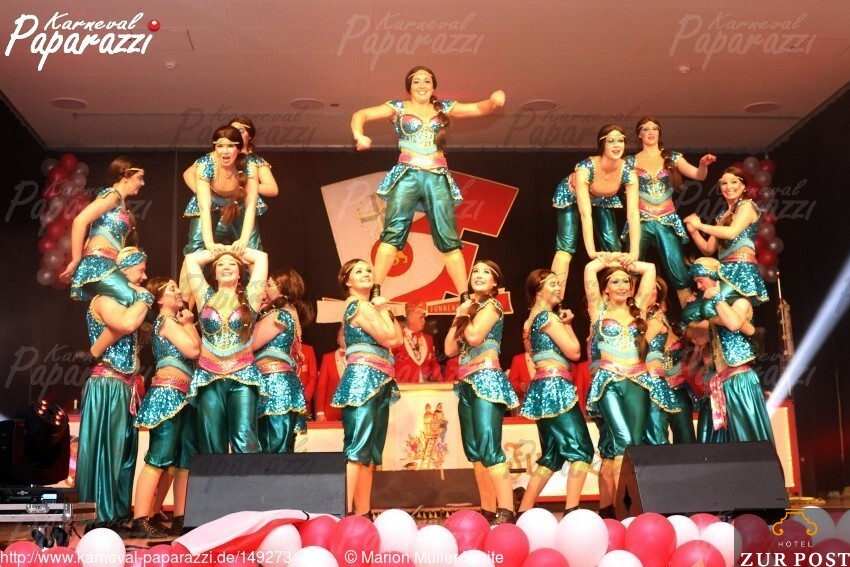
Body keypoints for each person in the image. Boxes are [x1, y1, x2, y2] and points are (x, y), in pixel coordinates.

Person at [351, 65, 505, 300]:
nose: (422, 85)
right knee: (393, 231)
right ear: (409, 88)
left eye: (426, 81)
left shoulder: (443, 108)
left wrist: (493, 102)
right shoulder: (398, 107)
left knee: (448, 235)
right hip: (407, 174)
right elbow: (360, 114)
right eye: (416, 81)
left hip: (436, 175)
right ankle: (376, 290)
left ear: (433, 87)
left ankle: (464, 296)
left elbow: (477, 108)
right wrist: (359, 134)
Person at [76, 248, 152, 530]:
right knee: (106, 452)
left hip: (126, 387)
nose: (144, 276)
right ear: (122, 271)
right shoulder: (104, 299)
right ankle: (100, 515)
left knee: (125, 454)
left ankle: (118, 514)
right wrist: (145, 297)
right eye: (140, 270)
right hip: (108, 384)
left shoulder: (128, 302)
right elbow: (127, 324)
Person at [444, 261, 519, 525]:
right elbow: (449, 349)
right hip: (466, 383)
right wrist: (460, 313)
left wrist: (465, 315)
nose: (478, 274)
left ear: (494, 283)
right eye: (475, 271)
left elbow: (475, 337)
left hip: (487, 379)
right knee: (475, 451)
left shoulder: (492, 306)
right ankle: (488, 511)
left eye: (486, 272)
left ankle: (507, 511)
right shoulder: (468, 309)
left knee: (489, 447)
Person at [584, 253, 656, 517]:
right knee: (622, 439)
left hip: (638, 380)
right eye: (615, 282)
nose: (622, 286)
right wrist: (611, 260)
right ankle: (622, 507)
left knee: (634, 444)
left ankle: (632, 506)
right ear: (605, 288)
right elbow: (590, 269)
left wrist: (629, 264)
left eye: (626, 281)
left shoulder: (639, 308)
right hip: (610, 381)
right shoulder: (598, 309)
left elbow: (650, 268)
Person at [517, 269, 593, 514]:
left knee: (551, 456)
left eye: (558, 283)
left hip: (541, 386)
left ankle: (524, 512)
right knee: (582, 451)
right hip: (555, 387)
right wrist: (568, 326)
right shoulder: (547, 318)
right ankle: (572, 511)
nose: (559, 288)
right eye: (552, 284)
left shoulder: (529, 321)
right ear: (538, 290)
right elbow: (574, 352)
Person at [331, 259, 403, 516]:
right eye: (358, 271)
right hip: (363, 379)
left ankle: (363, 513)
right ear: (347, 281)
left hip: (379, 379)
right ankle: (344, 513)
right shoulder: (358, 305)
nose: (366, 273)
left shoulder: (371, 306)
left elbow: (398, 339)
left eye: (368, 270)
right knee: (357, 449)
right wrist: (382, 310)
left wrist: (383, 309)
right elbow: (389, 337)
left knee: (369, 454)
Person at [132, 278, 200, 538]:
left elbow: (197, 350)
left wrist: (189, 324)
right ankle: (141, 519)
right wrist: (189, 324)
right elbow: (193, 350)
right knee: (159, 457)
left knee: (184, 459)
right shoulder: (167, 322)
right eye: (172, 289)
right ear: (159, 299)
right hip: (168, 395)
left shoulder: (177, 322)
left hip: (184, 396)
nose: (178, 291)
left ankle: (181, 518)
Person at [183, 247, 269, 454]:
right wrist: (217, 251)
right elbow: (191, 259)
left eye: (232, 264)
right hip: (208, 376)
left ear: (240, 273)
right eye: (220, 264)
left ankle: (247, 477)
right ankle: (214, 478)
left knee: (244, 440)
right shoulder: (205, 296)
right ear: (214, 274)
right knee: (211, 442)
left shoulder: (251, 297)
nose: (226, 267)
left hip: (243, 376)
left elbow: (261, 257)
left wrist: (233, 250)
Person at [624, 117, 716, 307]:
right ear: (639, 134)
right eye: (646, 129)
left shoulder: (672, 157)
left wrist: (703, 165)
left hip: (666, 217)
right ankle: (626, 309)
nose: (651, 132)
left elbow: (698, 175)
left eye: (654, 128)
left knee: (677, 266)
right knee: (631, 264)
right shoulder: (630, 161)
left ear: (659, 133)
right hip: (641, 218)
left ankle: (689, 314)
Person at [689, 258, 774, 443]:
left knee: (746, 439)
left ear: (714, 276)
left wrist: (717, 296)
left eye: (700, 280)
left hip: (739, 380)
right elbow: (692, 328)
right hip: (721, 382)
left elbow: (734, 323)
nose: (699, 286)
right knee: (720, 445)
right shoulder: (716, 310)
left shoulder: (741, 302)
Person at [551, 124, 640, 290]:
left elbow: (634, 214)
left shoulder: (628, 171)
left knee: (614, 248)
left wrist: (634, 253)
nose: (617, 145)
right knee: (566, 245)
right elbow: (585, 214)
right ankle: (556, 296)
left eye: (620, 141)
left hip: (603, 199)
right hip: (571, 196)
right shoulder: (586, 168)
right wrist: (592, 252)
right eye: (611, 141)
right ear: (602, 144)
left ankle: (618, 294)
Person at [684, 166, 769, 307]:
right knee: (695, 310)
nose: (729, 187)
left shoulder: (747, 206)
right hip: (723, 271)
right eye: (724, 183)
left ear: (743, 185)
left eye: (734, 182)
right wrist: (694, 231)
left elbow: (731, 232)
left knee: (707, 307)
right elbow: (708, 249)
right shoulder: (722, 216)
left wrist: (700, 225)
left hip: (742, 270)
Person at [253, 268, 314, 453]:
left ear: (284, 290)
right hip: (283, 383)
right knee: (277, 449)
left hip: (273, 384)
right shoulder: (290, 313)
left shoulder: (280, 315)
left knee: (271, 449)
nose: (264, 288)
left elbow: (249, 344)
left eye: (270, 285)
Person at [182, 126, 263, 262]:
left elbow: (251, 207)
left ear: (239, 148)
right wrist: (210, 244)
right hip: (210, 204)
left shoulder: (249, 165)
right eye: (220, 146)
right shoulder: (206, 164)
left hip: (238, 204)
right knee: (196, 248)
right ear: (215, 148)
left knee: (252, 246)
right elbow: (204, 208)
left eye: (230, 146)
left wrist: (243, 240)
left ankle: (251, 277)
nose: (225, 151)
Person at [184, 116, 279, 199]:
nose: (237, 134)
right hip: (212, 204)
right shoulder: (216, 155)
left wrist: (246, 184)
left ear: (250, 136)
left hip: (244, 204)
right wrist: (201, 193)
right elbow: (188, 173)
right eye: (233, 131)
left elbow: (272, 189)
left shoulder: (254, 161)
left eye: (241, 131)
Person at [643, 279, 684, 445]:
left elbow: (637, 346)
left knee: (656, 435)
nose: (648, 291)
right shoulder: (634, 317)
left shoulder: (656, 319)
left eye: (654, 289)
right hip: (635, 381)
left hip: (654, 382)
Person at [393, 301, 443, 383]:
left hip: (426, 385)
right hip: (404, 385)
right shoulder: (397, 337)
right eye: (421, 318)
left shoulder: (428, 339)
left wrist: (440, 382)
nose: (424, 321)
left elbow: (433, 363)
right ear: (411, 319)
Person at [316, 326, 345, 422]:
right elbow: (321, 387)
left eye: (347, 334)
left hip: (353, 411)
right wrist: (320, 412)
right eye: (342, 335)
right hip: (331, 412)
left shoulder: (359, 358)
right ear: (337, 340)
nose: (344, 337)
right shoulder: (328, 358)